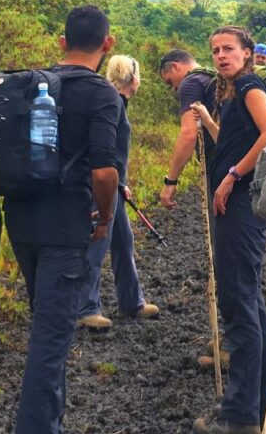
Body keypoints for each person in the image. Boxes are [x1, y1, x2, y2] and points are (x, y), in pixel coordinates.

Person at [4, 5, 122, 433]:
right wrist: (105, 219)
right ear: (108, 44)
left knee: (47, 323)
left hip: (21, 218)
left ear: (61, 42)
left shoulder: (30, 84)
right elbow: (104, 171)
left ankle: (49, 422)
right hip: (66, 226)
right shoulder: (102, 93)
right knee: (50, 342)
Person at [189, 27, 266, 434]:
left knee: (238, 302)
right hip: (238, 204)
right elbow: (233, 141)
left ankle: (241, 415)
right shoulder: (230, 93)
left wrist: (231, 175)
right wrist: (210, 122)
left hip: (242, 205)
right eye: (215, 51)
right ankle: (256, 407)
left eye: (229, 49)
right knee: (248, 299)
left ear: (247, 53)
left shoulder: (249, 86)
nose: (221, 56)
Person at [77, 55, 159, 329]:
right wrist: (114, 183)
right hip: (103, 186)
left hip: (114, 185)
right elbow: (106, 152)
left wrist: (121, 183)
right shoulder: (111, 103)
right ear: (133, 79)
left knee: (123, 242)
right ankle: (85, 308)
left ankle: (131, 301)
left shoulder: (114, 101)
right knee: (97, 244)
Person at [156, 49, 217, 209]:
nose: (174, 88)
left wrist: (171, 181)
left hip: (218, 163)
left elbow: (188, 133)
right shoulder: (212, 76)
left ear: (175, 66)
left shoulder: (191, 82)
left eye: (170, 82)